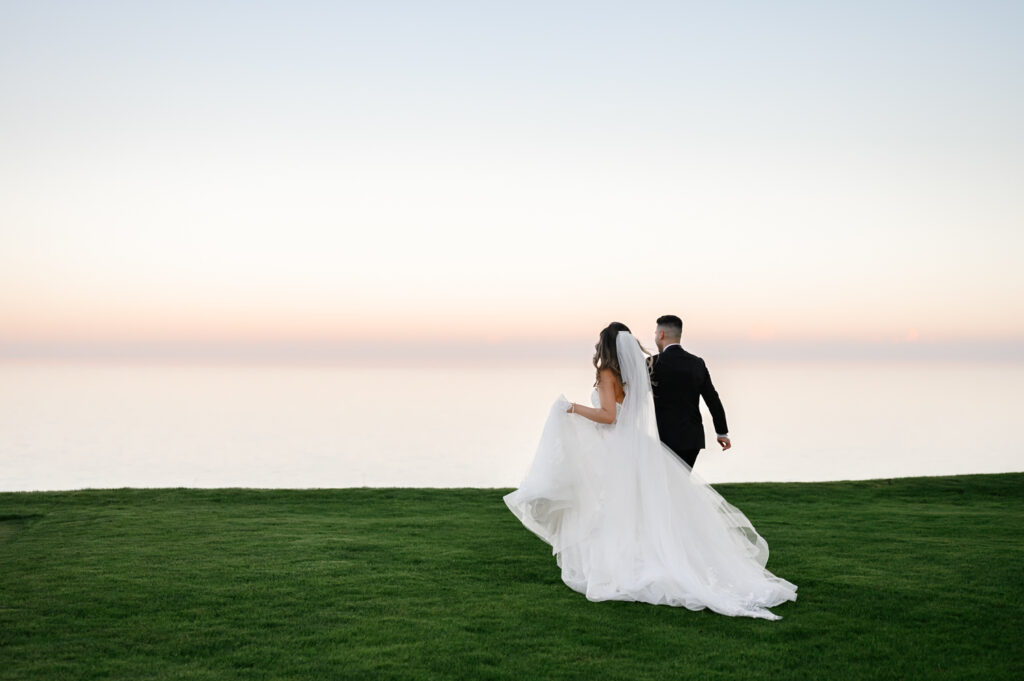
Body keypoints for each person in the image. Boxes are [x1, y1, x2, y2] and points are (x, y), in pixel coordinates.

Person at [503, 323, 797, 620]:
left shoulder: (607, 373)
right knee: (638, 509)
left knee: (611, 509)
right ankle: (647, 558)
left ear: (605, 345)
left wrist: (573, 409)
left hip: (614, 447)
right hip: (635, 445)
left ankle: (623, 566)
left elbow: (607, 416)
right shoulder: (632, 375)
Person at [647, 314, 730, 468]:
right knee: (681, 485)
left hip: (662, 438)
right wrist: (722, 432)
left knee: (665, 487)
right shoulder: (697, 363)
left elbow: (635, 396)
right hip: (692, 439)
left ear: (661, 334)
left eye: (655, 334)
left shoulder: (652, 363)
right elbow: (712, 399)